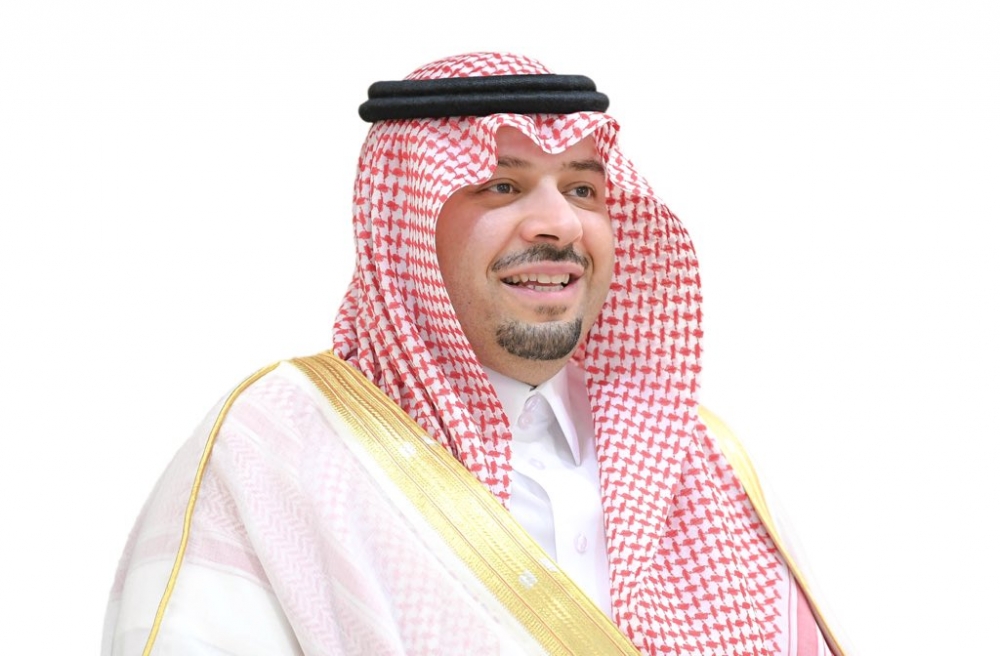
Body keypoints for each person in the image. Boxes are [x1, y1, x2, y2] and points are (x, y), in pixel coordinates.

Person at [102, 52, 844, 655]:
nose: (559, 224)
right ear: (406, 226)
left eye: (583, 189)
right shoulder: (280, 452)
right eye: (501, 186)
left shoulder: (701, 461)